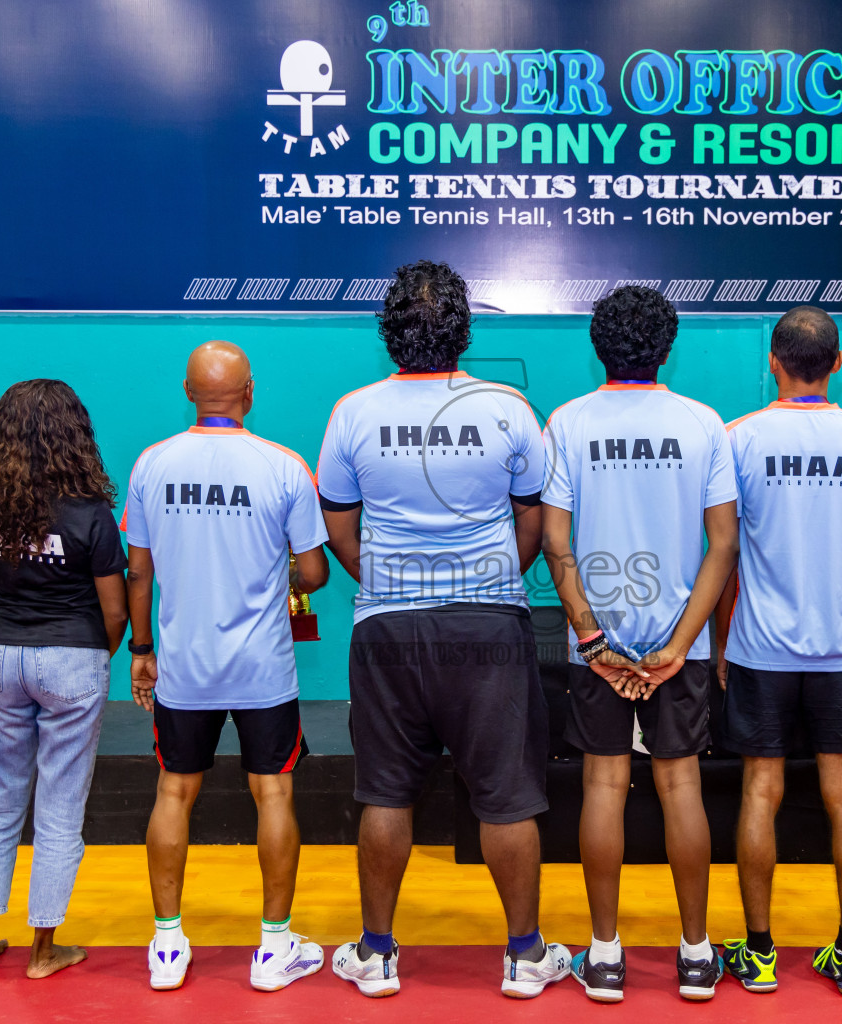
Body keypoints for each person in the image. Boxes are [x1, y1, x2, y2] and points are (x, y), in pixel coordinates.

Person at [317, 260, 571, 999]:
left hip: (390, 629)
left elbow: (338, 520)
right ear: (463, 329)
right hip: (487, 626)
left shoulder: (353, 412)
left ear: (388, 332)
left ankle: (375, 953)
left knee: (386, 792)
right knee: (509, 794)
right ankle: (525, 957)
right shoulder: (508, 408)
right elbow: (533, 516)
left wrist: (385, 580)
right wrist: (494, 579)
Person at [540, 285, 739, 1003]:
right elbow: (723, 544)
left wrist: (593, 641)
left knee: (603, 785)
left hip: (599, 646)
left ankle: (604, 957)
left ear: (599, 346)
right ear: (666, 346)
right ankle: (694, 955)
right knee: (680, 784)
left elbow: (554, 541)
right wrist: (683, 644)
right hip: (672, 649)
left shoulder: (567, 422)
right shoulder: (704, 424)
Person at [123, 341, 330, 992]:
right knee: (272, 792)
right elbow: (316, 573)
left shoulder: (151, 466)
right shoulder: (285, 467)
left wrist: (140, 651)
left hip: (184, 666)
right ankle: (273, 950)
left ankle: (165, 947)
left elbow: (138, 570)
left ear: (188, 390)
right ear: (250, 393)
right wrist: (281, 572)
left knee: (174, 793)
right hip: (263, 667)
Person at [714, 306, 842, 998]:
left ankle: (760, 954)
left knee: (760, 791)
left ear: (773, 359)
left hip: (760, 650)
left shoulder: (738, 438)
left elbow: (723, 551)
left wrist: (722, 641)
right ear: (838, 361)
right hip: (841, 651)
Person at [0, 379, 129, 979]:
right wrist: (94, 658)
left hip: (0, 657)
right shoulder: (91, 514)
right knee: (59, 808)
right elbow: (115, 611)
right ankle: (42, 950)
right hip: (71, 656)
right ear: (74, 435)